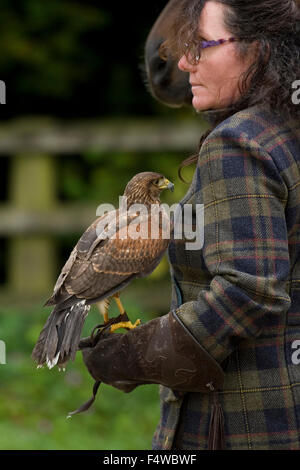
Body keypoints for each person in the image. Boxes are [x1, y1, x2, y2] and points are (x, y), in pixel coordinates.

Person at [79, 0, 300, 450]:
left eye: (201, 46)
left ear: (257, 50)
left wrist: (139, 353)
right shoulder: (287, 127)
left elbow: (250, 290)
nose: (182, 62)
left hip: (239, 425)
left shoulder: (239, 143)